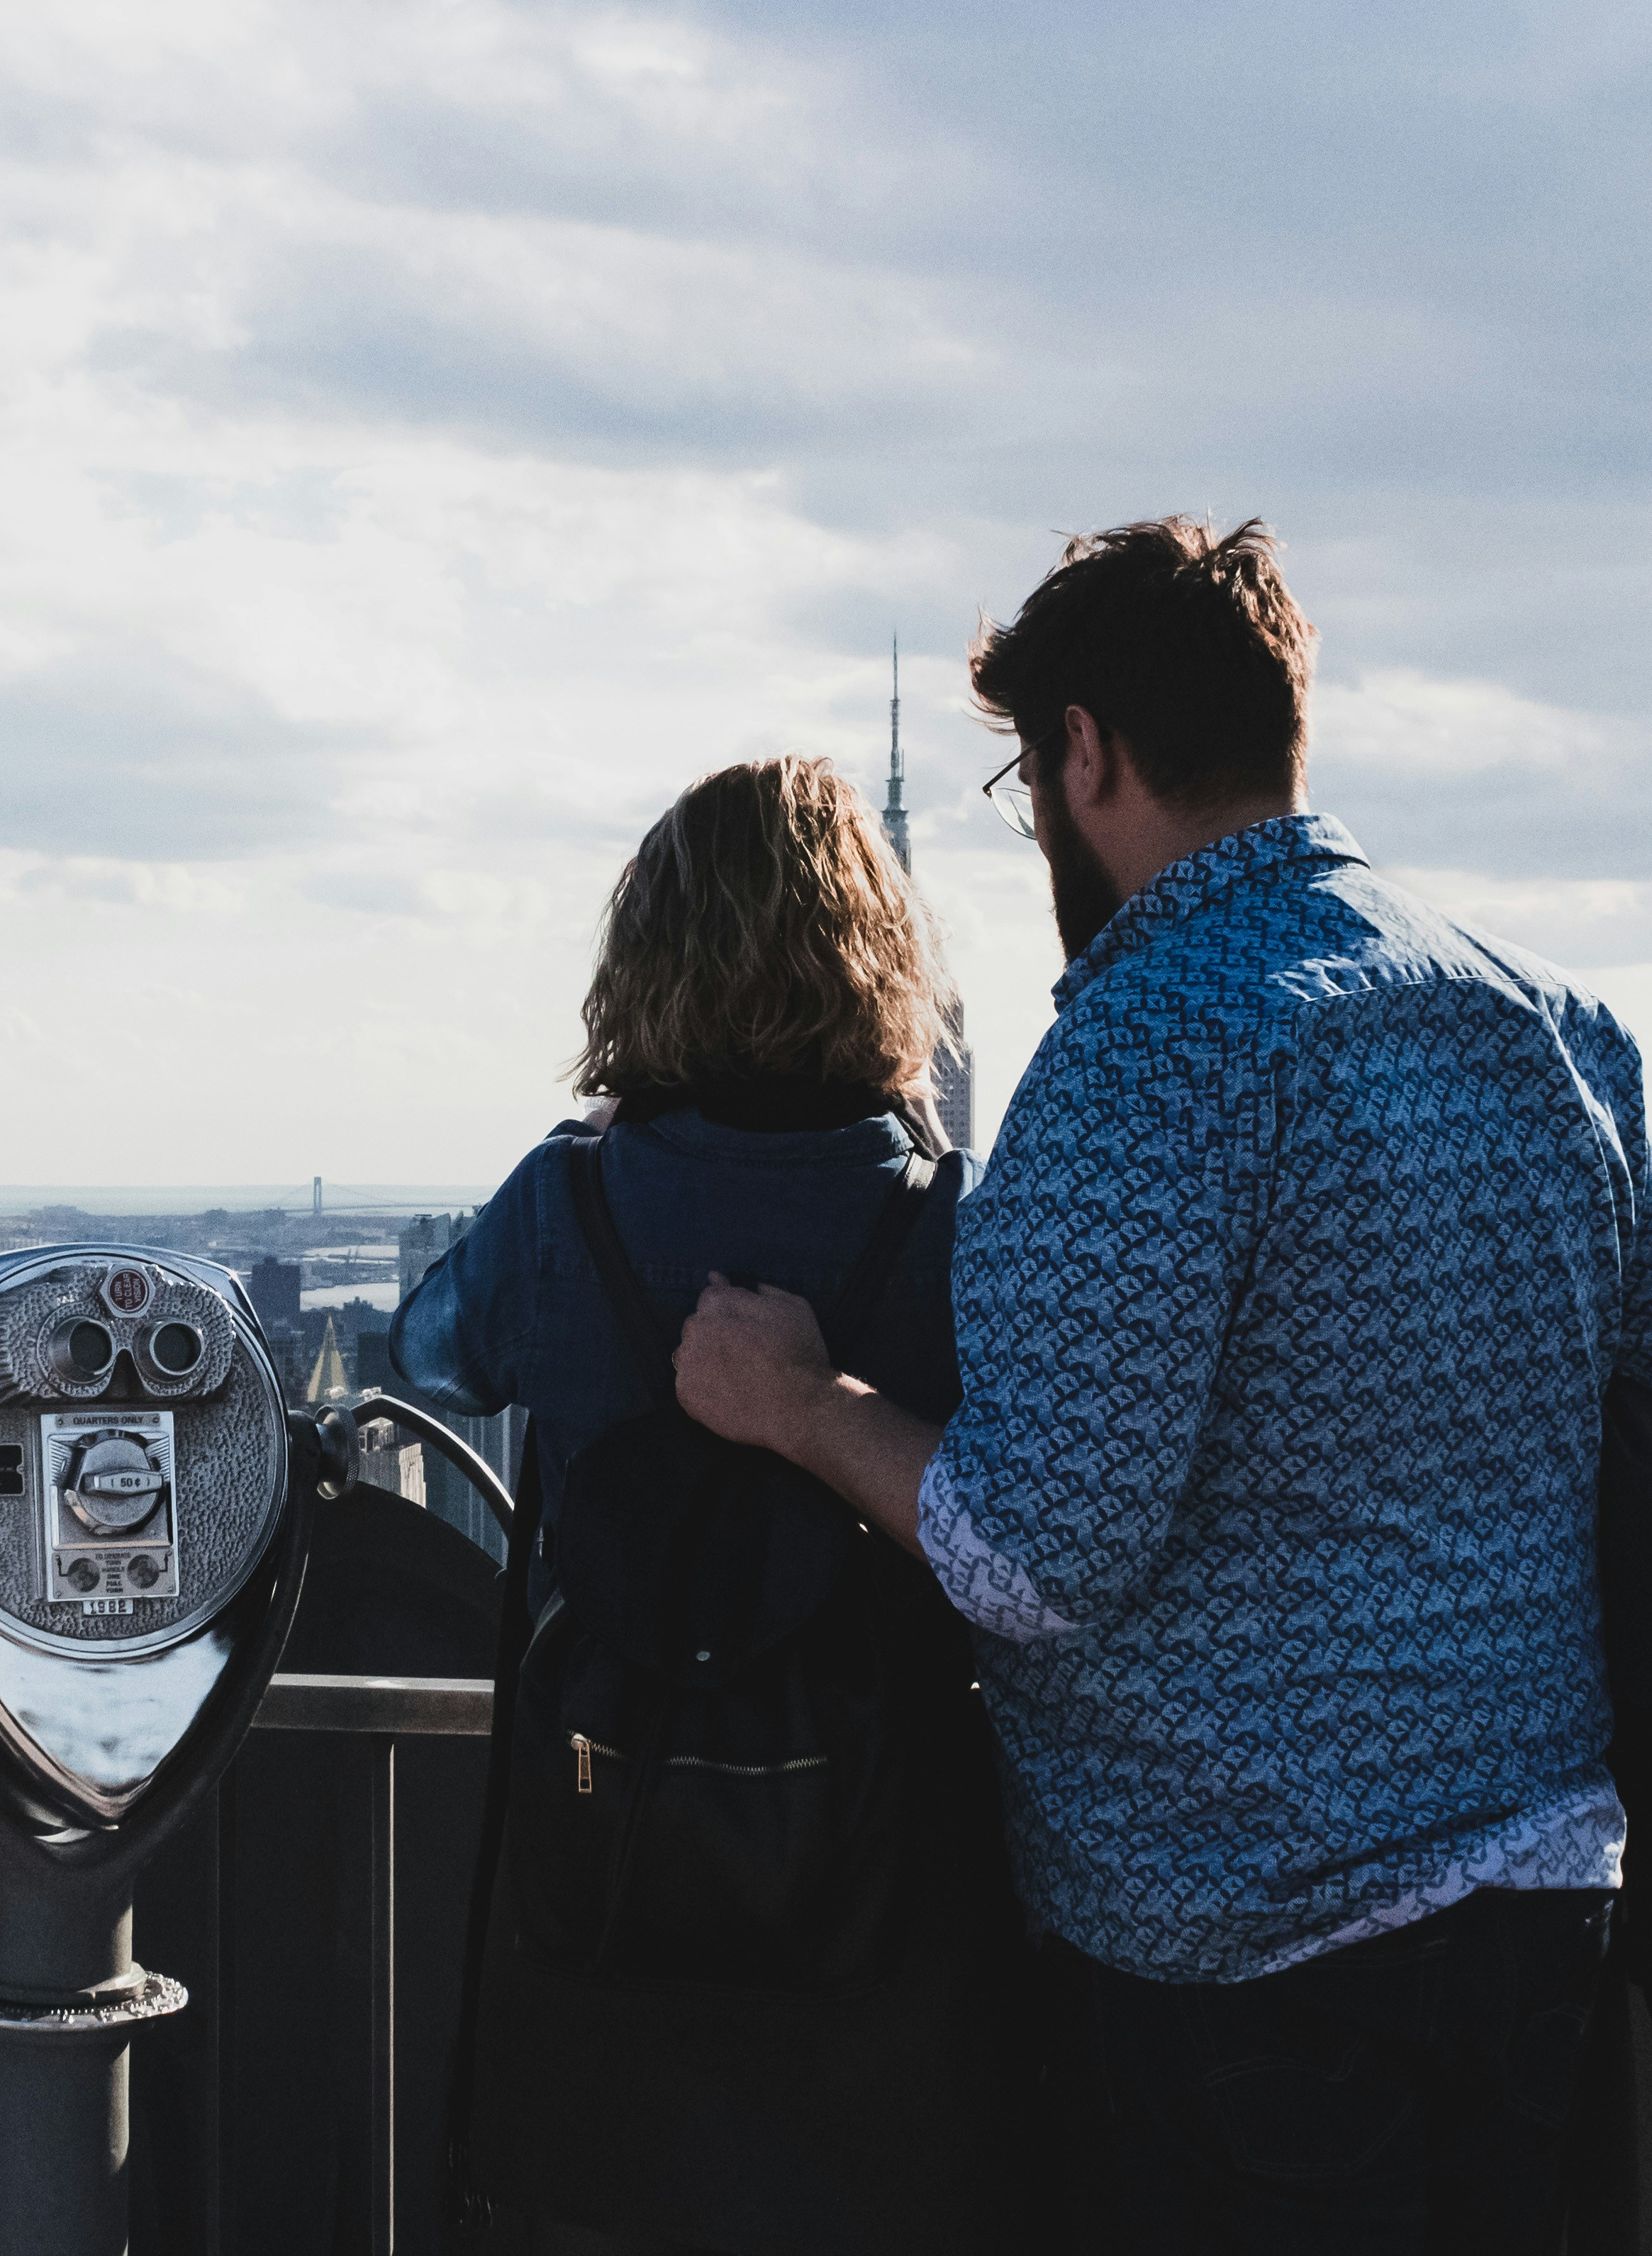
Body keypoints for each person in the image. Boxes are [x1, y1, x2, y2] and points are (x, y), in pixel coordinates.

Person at [673, 518, 1652, 2253]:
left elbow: (1039, 1558)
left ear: (1086, 753)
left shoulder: (1145, 1046)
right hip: (1550, 1890)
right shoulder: (1543, 1015)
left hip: (1241, 1945)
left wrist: (803, 1403)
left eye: (1029, 772)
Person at [395, 752, 1054, 2254]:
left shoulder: (563, 1208)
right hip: (888, 1876)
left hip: (614, 1848)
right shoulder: (955, 1228)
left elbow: (431, 1347)